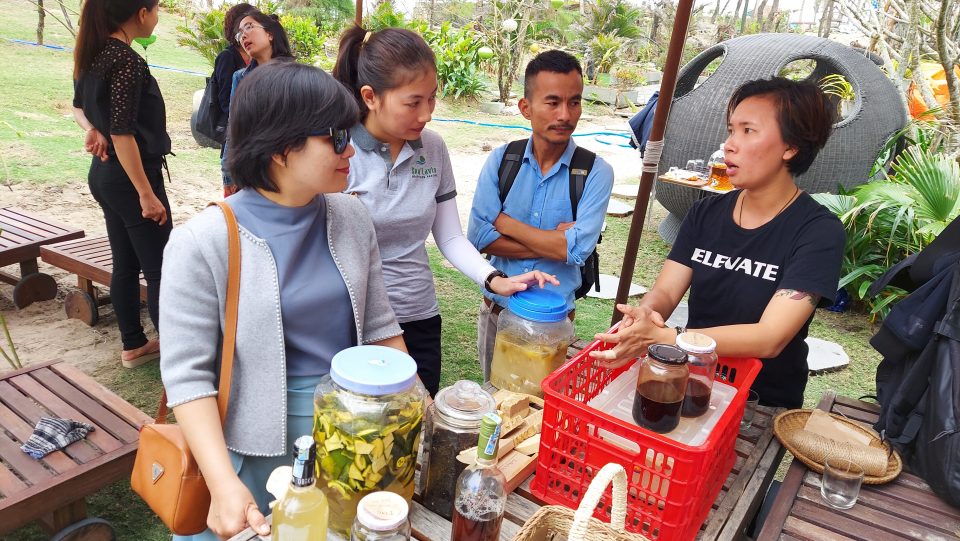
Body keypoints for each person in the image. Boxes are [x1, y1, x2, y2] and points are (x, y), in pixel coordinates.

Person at [160, 62, 406, 540]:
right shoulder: (203, 242)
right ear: (279, 147)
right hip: (246, 455)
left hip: (349, 440)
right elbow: (188, 377)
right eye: (335, 137)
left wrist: (415, 413)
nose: (350, 148)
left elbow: (381, 327)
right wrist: (222, 483)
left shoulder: (351, 217)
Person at [590, 77, 844, 409]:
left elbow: (770, 337)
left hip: (761, 400)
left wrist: (668, 338)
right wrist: (647, 314)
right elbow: (667, 292)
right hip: (693, 381)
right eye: (731, 130)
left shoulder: (817, 232)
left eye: (748, 131)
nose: (729, 145)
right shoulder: (706, 212)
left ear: (791, 146)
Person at [332, 26, 556, 396]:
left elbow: (450, 236)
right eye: (413, 102)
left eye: (432, 99)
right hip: (351, 318)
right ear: (371, 97)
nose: (427, 114)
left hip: (418, 314)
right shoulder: (340, 152)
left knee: (420, 425)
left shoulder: (432, 150)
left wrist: (494, 278)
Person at [467, 50, 614, 380]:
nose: (565, 114)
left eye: (574, 102)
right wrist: (555, 241)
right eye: (552, 102)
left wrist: (505, 223)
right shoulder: (503, 161)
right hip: (498, 309)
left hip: (554, 320)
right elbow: (478, 238)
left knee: (540, 409)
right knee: (496, 400)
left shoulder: (595, 172)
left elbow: (576, 250)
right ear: (525, 107)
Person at [72, 0, 171, 368]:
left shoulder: (92, 54)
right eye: (157, 8)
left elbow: (79, 107)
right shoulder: (127, 61)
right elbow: (123, 133)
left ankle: (134, 344)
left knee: (126, 264)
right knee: (162, 266)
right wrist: (147, 194)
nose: (157, 17)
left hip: (105, 176)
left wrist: (91, 130)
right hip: (131, 178)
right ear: (141, 13)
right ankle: (174, 352)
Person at [221, 10, 293, 196]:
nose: (243, 35)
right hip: (251, 167)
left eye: (249, 27)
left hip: (288, 167)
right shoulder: (240, 78)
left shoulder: (294, 75)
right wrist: (228, 173)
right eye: (240, 33)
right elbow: (235, 126)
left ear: (270, 34)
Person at [213, 2, 254, 195]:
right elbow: (225, 102)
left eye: (252, 25)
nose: (248, 31)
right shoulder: (227, 57)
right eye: (246, 26)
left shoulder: (257, 59)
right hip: (237, 137)